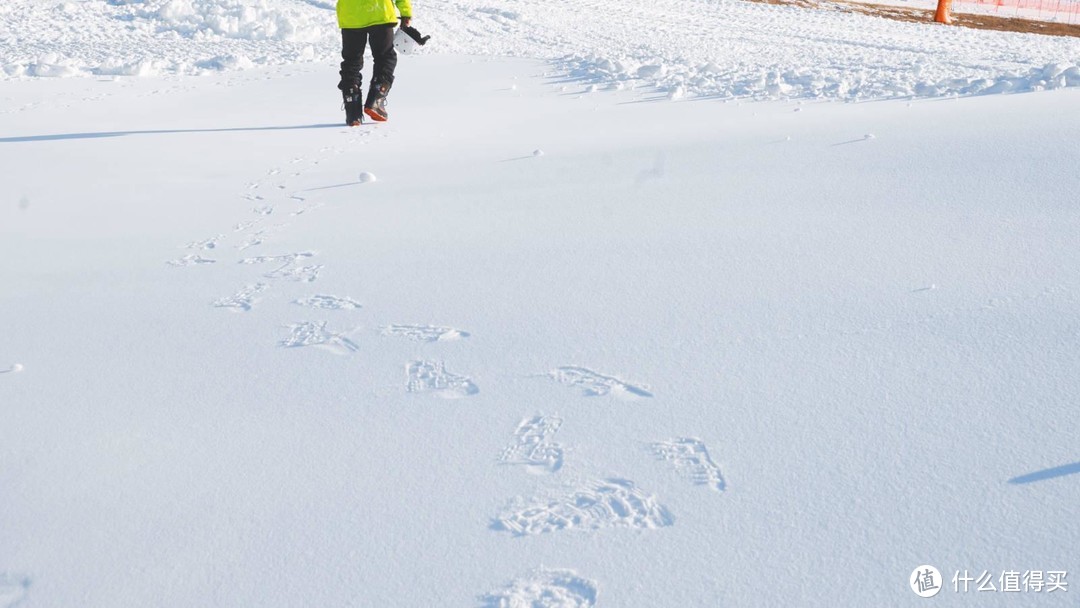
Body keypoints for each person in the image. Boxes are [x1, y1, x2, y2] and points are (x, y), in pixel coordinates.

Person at [336, 0, 413, 126]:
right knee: (385, 58)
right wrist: (406, 12)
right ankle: (375, 101)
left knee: (351, 62)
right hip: (379, 12)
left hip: (350, 15)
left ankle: (353, 113)